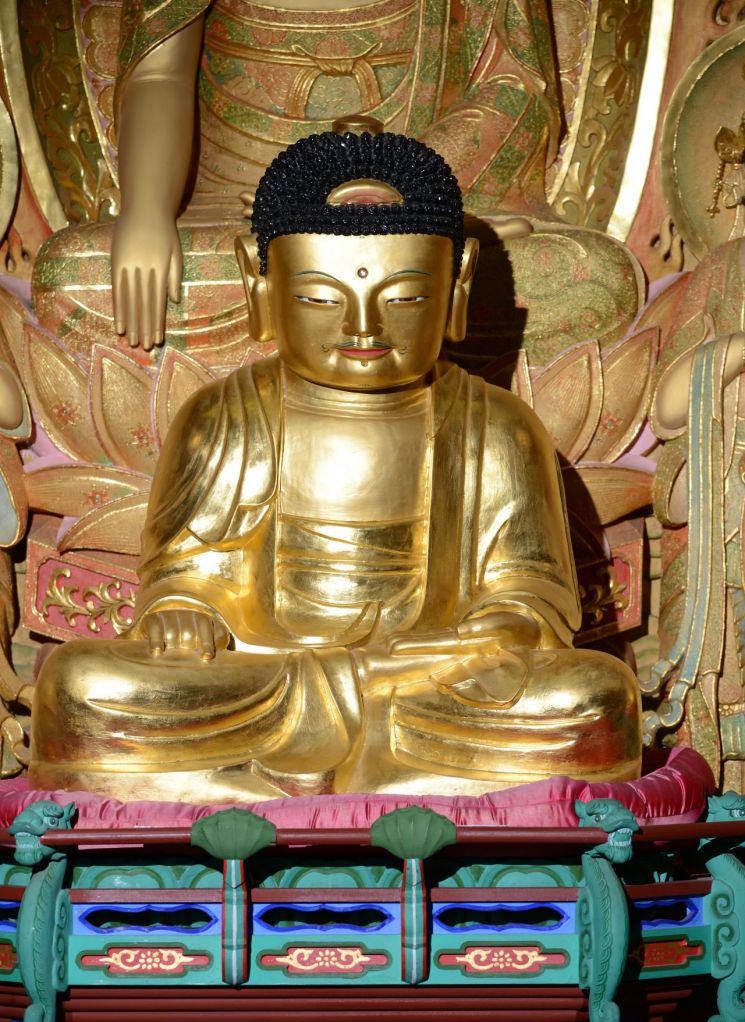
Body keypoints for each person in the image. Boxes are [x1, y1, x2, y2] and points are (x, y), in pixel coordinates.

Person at [30, 121, 642, 803]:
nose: (362, 327)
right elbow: (187, 571)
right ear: (259, 283)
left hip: (420, 684)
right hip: (267, 679)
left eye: (404, 297)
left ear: (456, 282)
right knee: (81, 687)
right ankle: (407, 788)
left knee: (595, 698)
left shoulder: (496, 426)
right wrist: (183, 609)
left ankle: (254, 788)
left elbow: (528, 591)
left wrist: (493, 632)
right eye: (320, 298)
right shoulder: (222, 415)